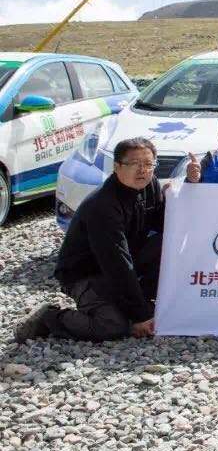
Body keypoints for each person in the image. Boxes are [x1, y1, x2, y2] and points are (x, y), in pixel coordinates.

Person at [13, 138, 165, 343]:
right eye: (134, 164)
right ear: (117, 166)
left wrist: (189, 185)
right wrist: (140, 316)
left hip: (123, 261)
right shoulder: (103, 206)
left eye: (148, 164)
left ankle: (137, 302)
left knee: (167, 244)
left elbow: (167, 225)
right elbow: (117, 263)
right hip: (86, 274)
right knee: (112, 326)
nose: (143, 170)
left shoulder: (151, 185)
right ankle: (49, 318)